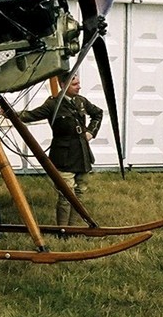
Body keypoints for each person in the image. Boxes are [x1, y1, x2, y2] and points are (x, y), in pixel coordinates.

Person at [20, 73, 103, 227]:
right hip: (63, 156)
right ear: (63, 85)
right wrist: (6, 113)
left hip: (82, 154)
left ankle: (73, 228)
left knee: (80, 192)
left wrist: (91, 132)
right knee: (66, 195)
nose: (79, 87)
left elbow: (98, 113)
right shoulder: (53, 104)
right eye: (74, 84)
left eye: (78, 83)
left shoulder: (81, 101)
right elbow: (30, 115)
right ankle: (63, 230)